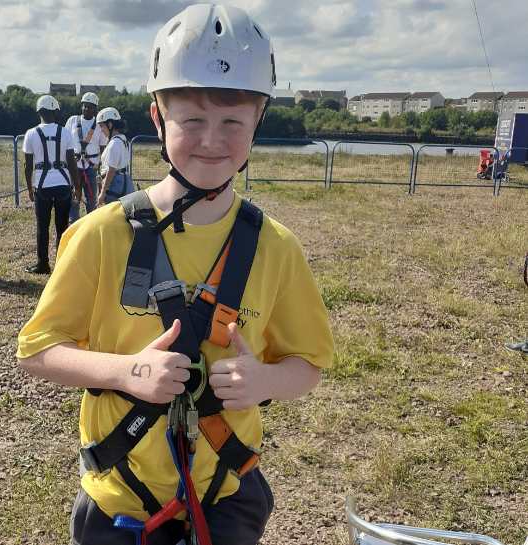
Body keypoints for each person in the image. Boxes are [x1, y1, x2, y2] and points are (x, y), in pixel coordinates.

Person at [17, 5, 333, 545]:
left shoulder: (276, 249)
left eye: (233, 121)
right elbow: (38, 350)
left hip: (226, 494)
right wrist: (124, 372)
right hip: (120, 496)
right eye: (192, 120)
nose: (212, 140)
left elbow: (309, 364)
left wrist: (265, 381)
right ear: (159, 120)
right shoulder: (100, 236)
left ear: (258, 121)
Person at [22, 95, 80, 274]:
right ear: (55, 111)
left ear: (39, 112)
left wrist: (30, 188)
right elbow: (71, 164)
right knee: (62, 226)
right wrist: (77, 188)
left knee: (42, 226)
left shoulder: (30, 134)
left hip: (42, 185)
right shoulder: (65, 132)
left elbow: (28, 165)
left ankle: (43, 263)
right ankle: (62, 264)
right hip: (63, 184)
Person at [65, 92, 108, 222]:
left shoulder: (99, 125)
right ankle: (73, 222)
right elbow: (65, 141)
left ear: (95, 109)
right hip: (74, 165)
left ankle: (91, 223)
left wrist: (101, 166)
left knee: (91, 199)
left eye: (90, 107)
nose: (87, 109)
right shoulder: (72, 120)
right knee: (74, 196)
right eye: (85, 106)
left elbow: (103, 148)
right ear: (81, 106)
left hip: (91, 166)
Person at [95, 106, 135, 205]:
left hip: (115, 186)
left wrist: (103, 192)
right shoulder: (123, 139)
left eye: (101, 126)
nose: (101, 130)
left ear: (110, 124)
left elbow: (111, 170)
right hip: (125, 182)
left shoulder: (114, 143)